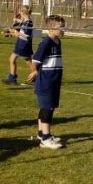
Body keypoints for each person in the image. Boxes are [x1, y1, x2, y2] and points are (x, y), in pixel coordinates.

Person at [27, 15, 66, 149]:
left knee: (46, 108)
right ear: (51, 28)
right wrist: (35, 71)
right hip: (46, 82)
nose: (63, 29)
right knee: (47, 109)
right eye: (60, 27)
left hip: (54, 81)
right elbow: (35, 60)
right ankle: (46, 138)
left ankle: (40, 133)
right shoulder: (46, 43)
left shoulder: (57, 42)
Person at [3, 5, 34, 85]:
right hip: (21, 43)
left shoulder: (29, 23)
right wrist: (9, 33)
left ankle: (37, 76)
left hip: (23, 44)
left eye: (20, 12)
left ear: (23, 12)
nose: (19, 13)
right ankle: (12, 79)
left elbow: (26, 36)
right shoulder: (24, 22)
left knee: (27, 61)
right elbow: (19, 33)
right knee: (14, 59)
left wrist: (14, 32)